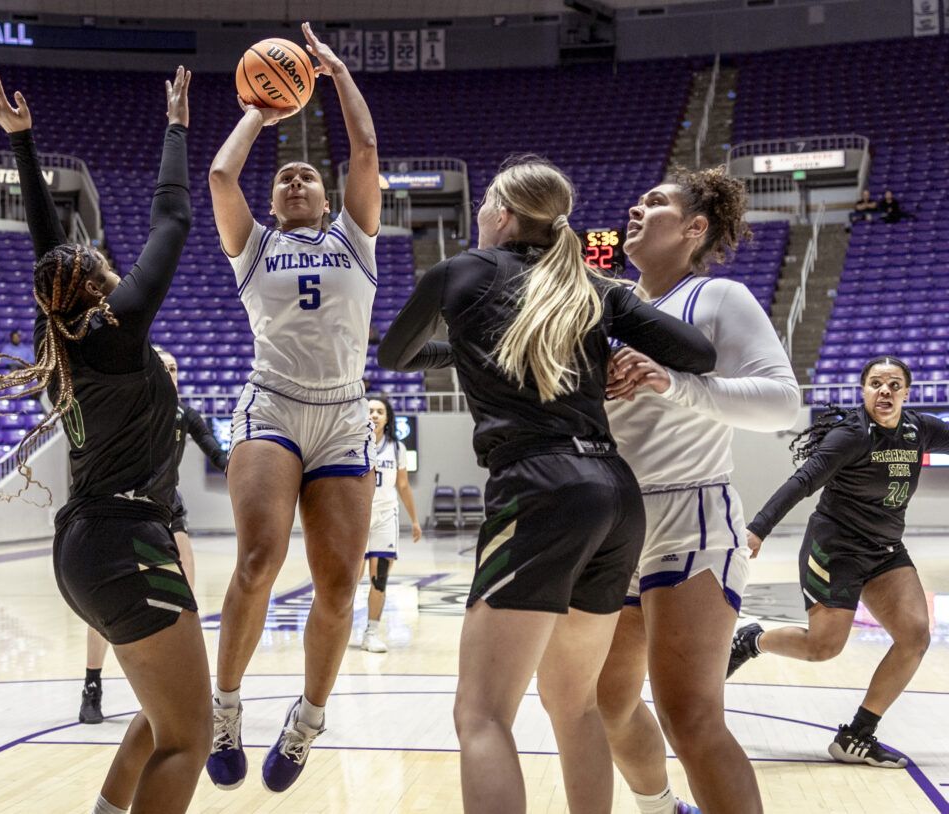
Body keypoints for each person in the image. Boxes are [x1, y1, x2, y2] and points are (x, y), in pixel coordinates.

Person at [377, 156, 717, 814]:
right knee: (575, 704)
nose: (479, 218)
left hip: (541, 486)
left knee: (481, 715)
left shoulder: (460, 273)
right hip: (615, 494)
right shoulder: (593, 285)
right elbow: (698, 354)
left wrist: (467, 345)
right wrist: (628, 356)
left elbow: (395, 354)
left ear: (502, 214)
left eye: (484, 209)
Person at [0, 67, 208, 814]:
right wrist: (176, 128)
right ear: (100, 286)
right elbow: (172, 223)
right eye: (99, 259)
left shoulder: (62, 338)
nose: (103, 254)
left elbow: (49, 251)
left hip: (86, 545)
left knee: (157, 716)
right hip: (125, 543)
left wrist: (24, 145)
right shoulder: (112, 332)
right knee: (188, 737)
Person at [205, 22, 381, 794]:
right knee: (258, 560)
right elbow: (217, 176)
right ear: (274, 200)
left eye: (308, 176)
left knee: (339, 587)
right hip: (272, 406)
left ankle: (307, 720)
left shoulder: (355, 239)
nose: (298, 183)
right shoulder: (254, 247)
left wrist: (337, 77)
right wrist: (261, 111)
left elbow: (367, 154)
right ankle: (224, 707)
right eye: (287, 179)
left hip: (344, 413)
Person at [596, 168, 800, 814]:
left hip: (690, 515)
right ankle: (660, 808)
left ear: (694, 228)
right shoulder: (614, 305)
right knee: (606, 705)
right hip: (616, 523)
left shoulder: (718, 297)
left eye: (655, 202)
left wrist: (676, 384)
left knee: (689, 716)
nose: (636, 207)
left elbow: (782, 403)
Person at [728, 357, 945, 770]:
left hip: (884, 551)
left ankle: (857, 736)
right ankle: (750, 641)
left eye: (894, 384)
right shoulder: (851, 436)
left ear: (906, 392)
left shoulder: (918, 430)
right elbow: (802, 481)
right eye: (876, 383)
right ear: (863, 391)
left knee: (915, 635)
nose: (885, 390)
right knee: (823, 647)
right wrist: (758, 529)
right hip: (835, 549)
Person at [79, 346, 229, 726]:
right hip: (119, 506)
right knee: (104, 607)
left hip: (164, 507)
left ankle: (182, 684)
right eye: (164, 367)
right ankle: (92, 685)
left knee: (184, 598)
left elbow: (214, 450)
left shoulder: (184, 415)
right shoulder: (128, 409)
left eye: (175, 367)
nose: (171, 373)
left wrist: (240, 468)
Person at [356, 396, 422, 653]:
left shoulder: (397, 448)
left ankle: (371, 632)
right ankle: (338, 629)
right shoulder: (354, 443)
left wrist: (414, 520)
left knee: (379, 578)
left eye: (379, 411)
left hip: (385, 516)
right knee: (352, 577)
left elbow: (403, 485)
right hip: (358, 517)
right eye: (370, 411)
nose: (373, 415)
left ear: (387, 417)